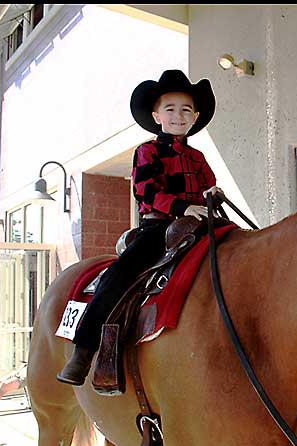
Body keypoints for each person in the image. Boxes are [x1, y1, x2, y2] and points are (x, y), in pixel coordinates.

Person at [57, 69, 220, 386]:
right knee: (121, 275)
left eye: (186, 110)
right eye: (171, 109)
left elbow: (208, 186)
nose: (178, 115)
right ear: (157, 115)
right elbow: (145, 191)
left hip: (199, 225)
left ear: (195, 116)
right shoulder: (147, 151)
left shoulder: (198, 157)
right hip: (158, 227)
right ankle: (85, 349)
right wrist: (181, 206)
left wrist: (212, 195)